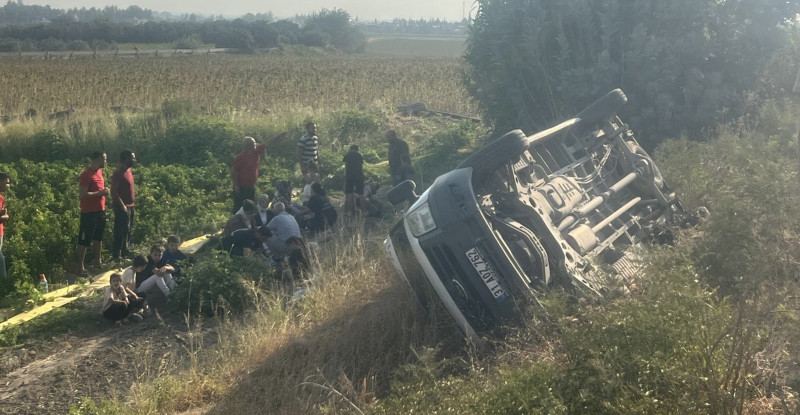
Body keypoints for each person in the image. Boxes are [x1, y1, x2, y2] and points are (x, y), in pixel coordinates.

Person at [77, 151, 109, 275]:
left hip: (100, 210)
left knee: (98, 237)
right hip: (89, 212)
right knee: (84, 240)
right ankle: (80, 267)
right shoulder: (86, 175)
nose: (106, 162)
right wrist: (99, 193)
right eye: (104, 159)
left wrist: (104, 191)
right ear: (97, 159)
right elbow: (82, 194)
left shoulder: (99, 173)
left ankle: (97, 261)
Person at [111, 149, 136, 265]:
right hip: (122, 207)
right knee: (120, 231)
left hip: (131, 205)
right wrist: (122, 206)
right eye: (132, 158)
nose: (134, 160)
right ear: (126, 159)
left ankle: (126, 250)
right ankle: (117, 254)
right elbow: (114, 192)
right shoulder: (118, 173)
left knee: (128, 229)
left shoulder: (129, 171)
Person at [231, 136, 266, 214]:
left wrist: (279, 136)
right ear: (248, 146)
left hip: (251, 186)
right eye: (253, 143)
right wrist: (235, 185)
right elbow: (233, 171)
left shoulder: (256, 151)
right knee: (239, 207)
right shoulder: (240, 157)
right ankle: (236, 223)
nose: (255, 144)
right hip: (241, 187)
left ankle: (249, 223)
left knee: (250, 207)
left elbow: (266, 144)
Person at [342, 144, 364, 217]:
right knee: (360, 193)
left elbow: (345, 163)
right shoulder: (359, 155)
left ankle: (349, 212)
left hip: (349, 176)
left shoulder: (347, 154)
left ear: (350, 149)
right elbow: (361, 164)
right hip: (359, 176)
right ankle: (363, 211)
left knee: (349, 194)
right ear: (357, 149)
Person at [0, 172, 9, 281]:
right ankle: (4, 284)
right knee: (0, 259)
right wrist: (4, 218)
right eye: (6, 182)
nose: (8, 185)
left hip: (0, 233)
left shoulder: (1, 198)